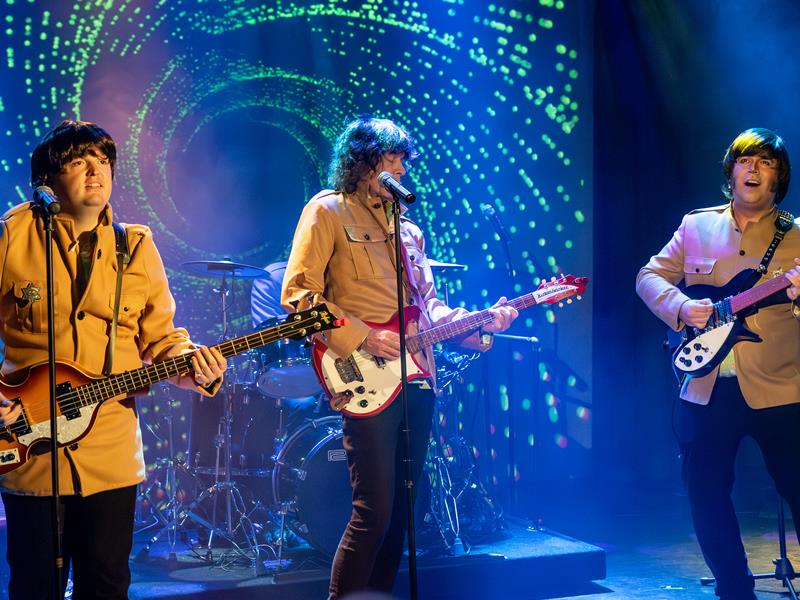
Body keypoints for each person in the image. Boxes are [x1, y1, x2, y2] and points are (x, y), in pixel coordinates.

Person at [281, 116, 518, 599]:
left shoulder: (409, 231)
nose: (402, 170)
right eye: (393, 159)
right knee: (374, 511)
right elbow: (299, 297)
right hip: (363, 373)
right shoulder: (327, 211)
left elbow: (430, 309)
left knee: (405, 514)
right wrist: (362, 336)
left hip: (418, 376)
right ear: (363, 160)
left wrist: (477, 326)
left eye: (404, 160)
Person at [0, 120, 228, 599]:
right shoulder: (11, 235)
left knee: (106, 584)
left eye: (103, 161)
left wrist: (194, 368)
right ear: (46, 179)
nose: (95, 171)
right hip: (30, 450)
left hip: (111, 452)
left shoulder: (136, 245)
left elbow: (163, 339)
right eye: (79, 161)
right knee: (35, 586)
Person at [636, 127, 800, 600]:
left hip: (781, 387)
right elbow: (649, 275)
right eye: (745, 160)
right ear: (730, 171)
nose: (754, 169)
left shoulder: (796, 236)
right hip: (706, 386)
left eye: (766, 162)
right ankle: (734, 587)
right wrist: (682, 307)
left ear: (779, 177)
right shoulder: (696, 226)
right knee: (705, 494)